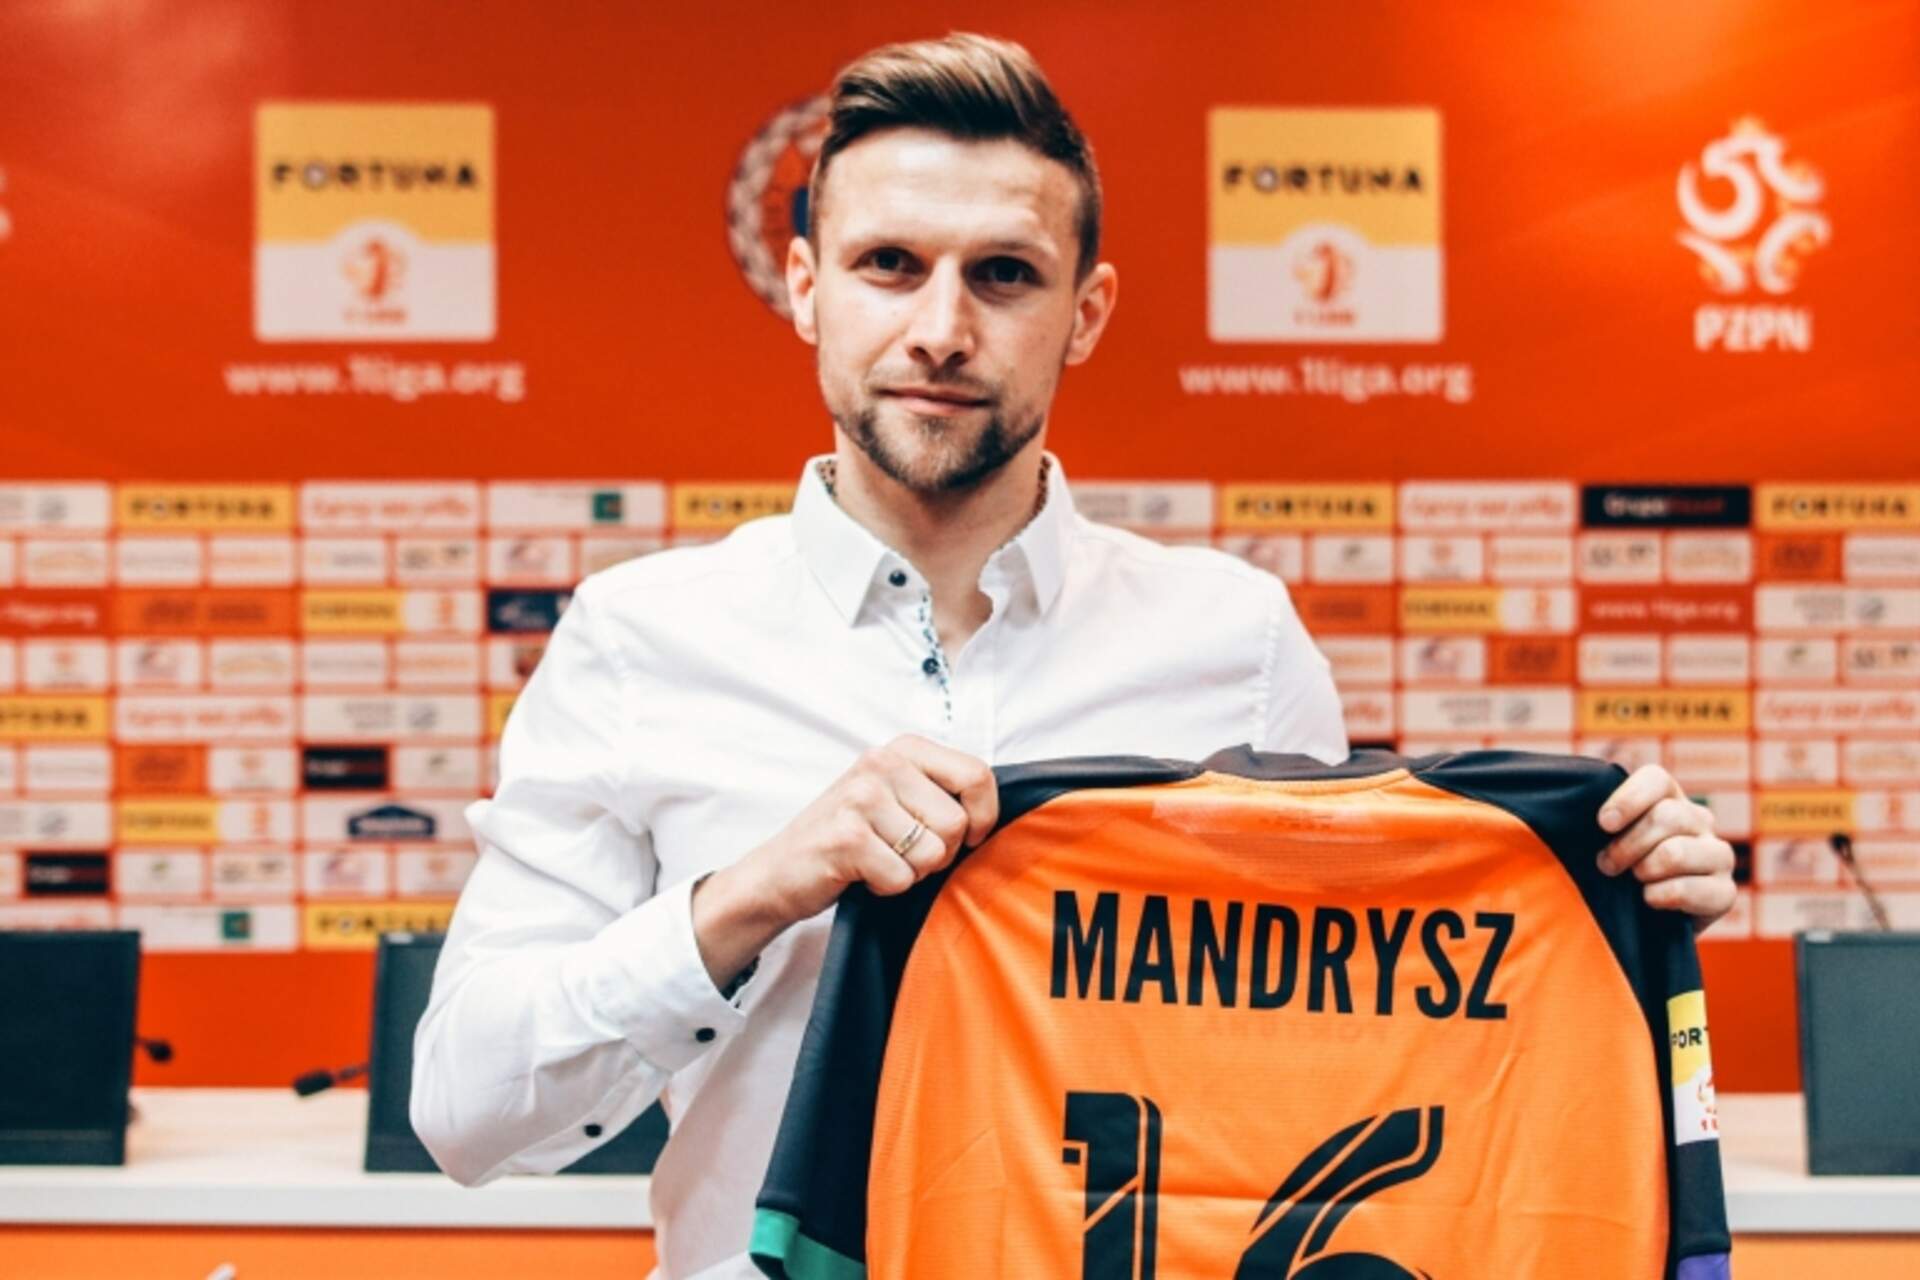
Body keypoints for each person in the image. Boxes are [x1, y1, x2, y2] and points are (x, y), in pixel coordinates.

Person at [410, 33, 1736, 1280]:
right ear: (806, 285)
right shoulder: (641, 638)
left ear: (1085, 312)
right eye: (888, 265)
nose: (941, 328)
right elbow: (466, 1114)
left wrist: (1603, 899)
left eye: (1004, 274)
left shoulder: (1235, 641)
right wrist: (756, 891)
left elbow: (1350, 1045)